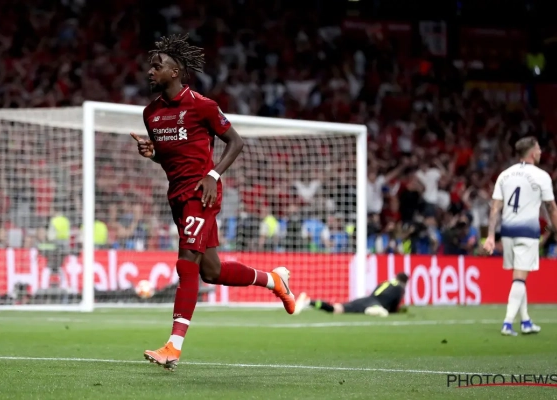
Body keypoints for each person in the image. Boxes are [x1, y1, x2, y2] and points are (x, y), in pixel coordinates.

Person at [130, 34, 295, 370]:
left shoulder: (202, 105)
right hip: (177, 195)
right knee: (212, 271)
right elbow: (169, 158)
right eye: (150, 66)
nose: (150, 71)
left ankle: (173, 347)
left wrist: (214, 175)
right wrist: (153, 154)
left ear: (175, 72)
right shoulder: (151, 113)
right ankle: (273, 280)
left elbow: (236, 142)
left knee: (186, 264)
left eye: (157, 66)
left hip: (201, 193)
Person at [483, 136, 557, 336]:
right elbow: (551, 207)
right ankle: (507, 323)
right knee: (520, 278)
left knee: (519, 276)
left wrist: (491, 236)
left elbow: (495, 208)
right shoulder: (541, 176)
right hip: (527, 232)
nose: (540, 151)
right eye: (538, 148)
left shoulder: (505, 174)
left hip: (508, 232)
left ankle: (525, 322)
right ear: (532, 152)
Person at [293, 273, 409, 316]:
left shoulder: (386, 282)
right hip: (375, 302)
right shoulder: (400, 288)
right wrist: (397, 311)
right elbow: (394, 307)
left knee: (335, 309)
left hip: (366, 299)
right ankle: (374, 309)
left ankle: (309, 301)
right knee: (384, 313)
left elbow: (375, 292)